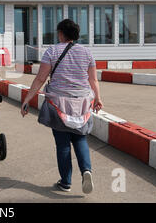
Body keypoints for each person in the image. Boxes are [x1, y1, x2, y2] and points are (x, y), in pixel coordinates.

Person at [21, 19, 103, 194]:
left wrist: (27, 99)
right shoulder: (86, 53)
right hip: (82, 103)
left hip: (58, 103)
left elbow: (40, 79)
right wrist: (98, 99)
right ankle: (86, 170)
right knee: (80, 139)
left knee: (63, 144)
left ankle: (66, 182)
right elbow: (93, 79)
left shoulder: (52, 51)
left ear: (61, 33)